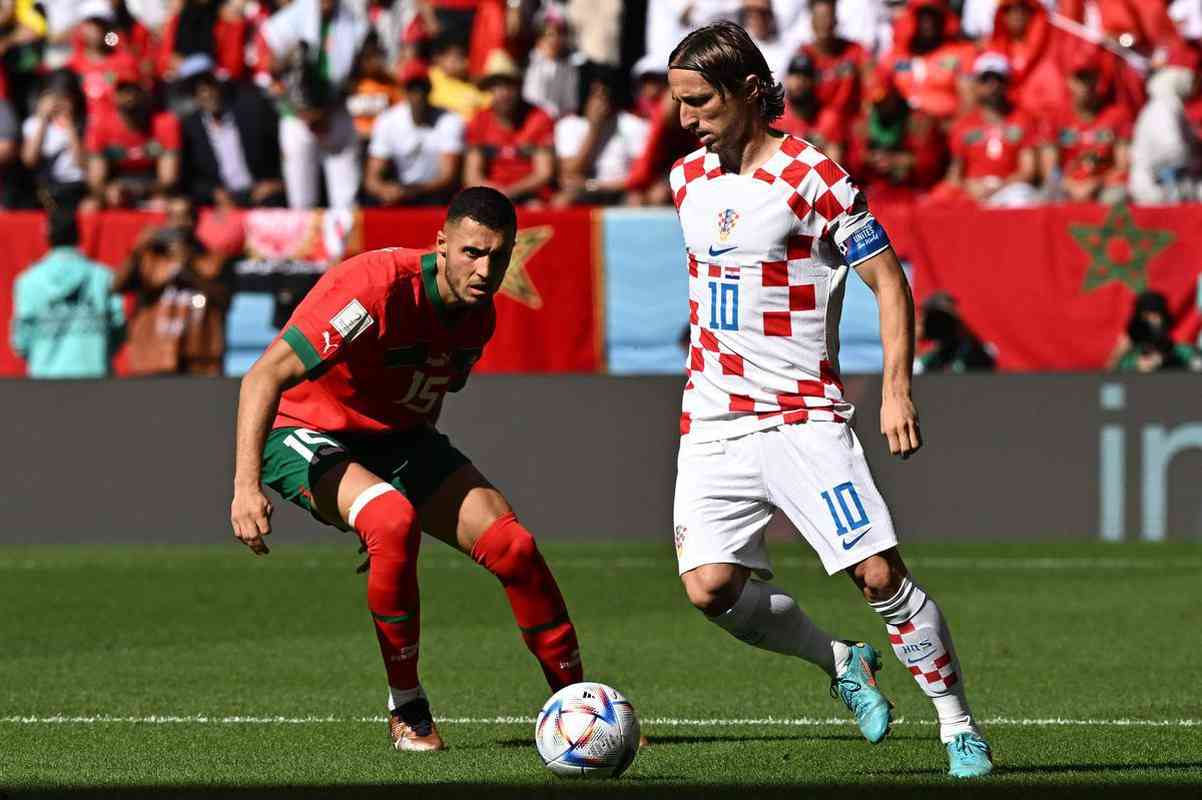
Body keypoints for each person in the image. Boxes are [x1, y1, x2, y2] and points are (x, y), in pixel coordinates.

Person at [665, 22, 992, 778]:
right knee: (710, 589)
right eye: (678, 102)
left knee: (878, 575)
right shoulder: (688, 180)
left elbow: (888, 282)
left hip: (801, 414)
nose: (685, 120)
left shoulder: (816, 178)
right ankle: (841, 661)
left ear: (750, 91)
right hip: (712, 416)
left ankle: (957, 727)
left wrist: (895, 389)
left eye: (699, 101)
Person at [229, 187, 585, 752]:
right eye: (471, 252)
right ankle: (407, 708)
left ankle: (580, 709)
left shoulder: (477, 317)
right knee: (391, 520)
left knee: (515, 546)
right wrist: (245, 487)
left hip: (397, 441)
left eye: (498, 256)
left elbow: (426, 396)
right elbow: (263, 377)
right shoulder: (373, 288)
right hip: (302, 431)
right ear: (441, 243)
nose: (485, 269)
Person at [11, 207, 124, 378]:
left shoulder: (28, 282)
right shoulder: (103, 277)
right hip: (95, 379)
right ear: (79, 236)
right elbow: (118, 328)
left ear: (47, 237)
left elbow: (22, 340)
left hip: (45, 381)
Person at [179, 60, 287, 208]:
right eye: (197, 89)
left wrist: (276, 183)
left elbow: (283, 148)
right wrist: (213, 192)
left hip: (263, 193)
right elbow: (191, 178)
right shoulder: (191, 127)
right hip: (223, 201)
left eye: (209, 85)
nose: (206, 93)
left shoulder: (253, 111)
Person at [940, 52, 1042, 207]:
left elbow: (1028, 170)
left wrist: (997, 188)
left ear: (1007, 83)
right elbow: (955, 173)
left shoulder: (1022, 120)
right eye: (985, 79)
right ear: (976, 84)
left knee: (1022, 198)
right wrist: (970, 187)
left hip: (1008, 190)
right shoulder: (963, 126)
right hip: (973, 192)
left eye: (998, 79)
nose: (992, 85)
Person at [363, 60, 465, 206]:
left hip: (434, 194)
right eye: (412, 89)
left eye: (422, 88)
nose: (418, 95)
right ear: (403, 92)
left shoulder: (450, 120)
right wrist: (383, 189)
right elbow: (372, 178)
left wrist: (413, 191)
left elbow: (448, 176)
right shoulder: (387, 121)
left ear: (429, 89)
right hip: (401, 190)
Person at [464, 51, 555, 205]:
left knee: (537, 207)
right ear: (489, 89)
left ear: (519, 87)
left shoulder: (539, 118)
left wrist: (512, 191)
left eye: (509, 85)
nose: (504, 92)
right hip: (490, 197)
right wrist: (497, 192)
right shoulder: (479, 120)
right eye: (498, 85)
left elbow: (544, 173)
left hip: (531, 196)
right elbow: (471, 175)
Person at [552, 64, 650, 206]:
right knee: (561, 202)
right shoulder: (567, 125)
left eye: (604, 94)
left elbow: (639, 176)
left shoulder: (633, 124)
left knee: (637, 199)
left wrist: (593, 185)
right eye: (594, 95)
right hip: (582, 193)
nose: (600, 102)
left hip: (618, 191)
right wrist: (594, 130)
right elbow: (568, 174)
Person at [1041, 54, 1132, 204]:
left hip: (1103, 184)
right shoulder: (1055, 117)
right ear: (1069, 81)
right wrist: (1070, 186)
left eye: (1089, 79)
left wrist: (1097, 183)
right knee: (1045, 197)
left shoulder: (1117, 116)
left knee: (1116, 197)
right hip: (1067, 185)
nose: (1085, 86)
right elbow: (1049, 169)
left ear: (1097, 81)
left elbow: (1123, 165)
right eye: (1079, 79)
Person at [85, 81, 182, 209]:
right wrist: (108, 191)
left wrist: (139, 191)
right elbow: (95, 179)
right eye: (123, 90)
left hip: (152, 186)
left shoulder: (165, 122)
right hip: (116, 183)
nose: (129, 96)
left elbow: (168, 179)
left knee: (164, 204)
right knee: (89, 207)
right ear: (114, 94)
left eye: (134, 89)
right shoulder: (100, 124)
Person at [1110, 290, 1202, 372]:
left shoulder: (1182, 350)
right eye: (1146, 318)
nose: (1151, 322)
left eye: (1155, 317)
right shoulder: (1129, 354)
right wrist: (1119, 355)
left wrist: (1164, 360)